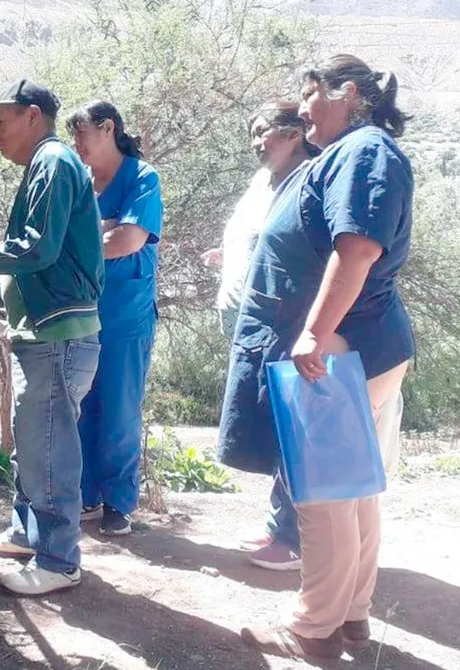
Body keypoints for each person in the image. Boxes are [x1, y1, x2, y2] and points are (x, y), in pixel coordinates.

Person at [217, 54, 415, 659]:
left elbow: (355, 250)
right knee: (352, 488)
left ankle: (312, 627)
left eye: (309, 96)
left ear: (346, 92)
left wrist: (312, 334)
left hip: (336, 346)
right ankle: (350, 615)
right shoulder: (351, 152)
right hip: (351, 344)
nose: (301, 110)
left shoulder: (364, 153)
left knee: (324, 492)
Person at [0, 78, 103, 596]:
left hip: (60, 335)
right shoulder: (46, 165)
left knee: (51, 448)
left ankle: (60, 561)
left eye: (0, 121)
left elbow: (37, 248)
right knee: (34, 442)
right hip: (44, 333)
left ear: (32, 116)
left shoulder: (54, 162)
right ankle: (27, 533)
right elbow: (34, 260)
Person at [204, 102, 318, 571]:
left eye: (263, 132)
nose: (256, 142)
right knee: (272, 426)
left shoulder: (309, 179)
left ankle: (294, 539)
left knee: (292, 426)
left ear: (293, 132)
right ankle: (278, 525)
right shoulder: (265, 180)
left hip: (285, 325)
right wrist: (227, 254)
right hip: (251, 323)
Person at [64, 101, 163, 536]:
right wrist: (99, 232)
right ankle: (84, 496)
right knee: (79, 406)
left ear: (108, 129)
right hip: (81, 313)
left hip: (126, 314)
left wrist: (85, 242)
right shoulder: (82, 183)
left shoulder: (142, 178)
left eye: (82, 134)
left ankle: (118, 504)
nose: (76, 145)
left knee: (120, 409)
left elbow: (128, 240)